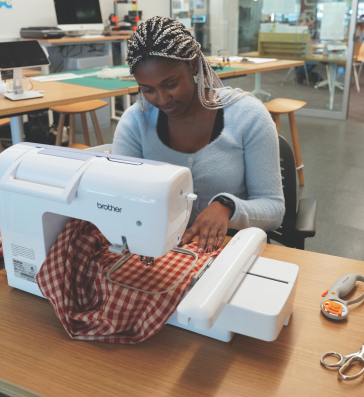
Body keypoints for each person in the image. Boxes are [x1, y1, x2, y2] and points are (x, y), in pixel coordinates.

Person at [112, 16, 284, 255]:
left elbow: (274, 209)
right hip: (163, 252)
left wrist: (227, 207)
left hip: (233, 250)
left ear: (193, 65)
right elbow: (118, 195)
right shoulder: (135, 122)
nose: (161, 99)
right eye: (148, 90)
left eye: (170, 84)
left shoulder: (248, 116)